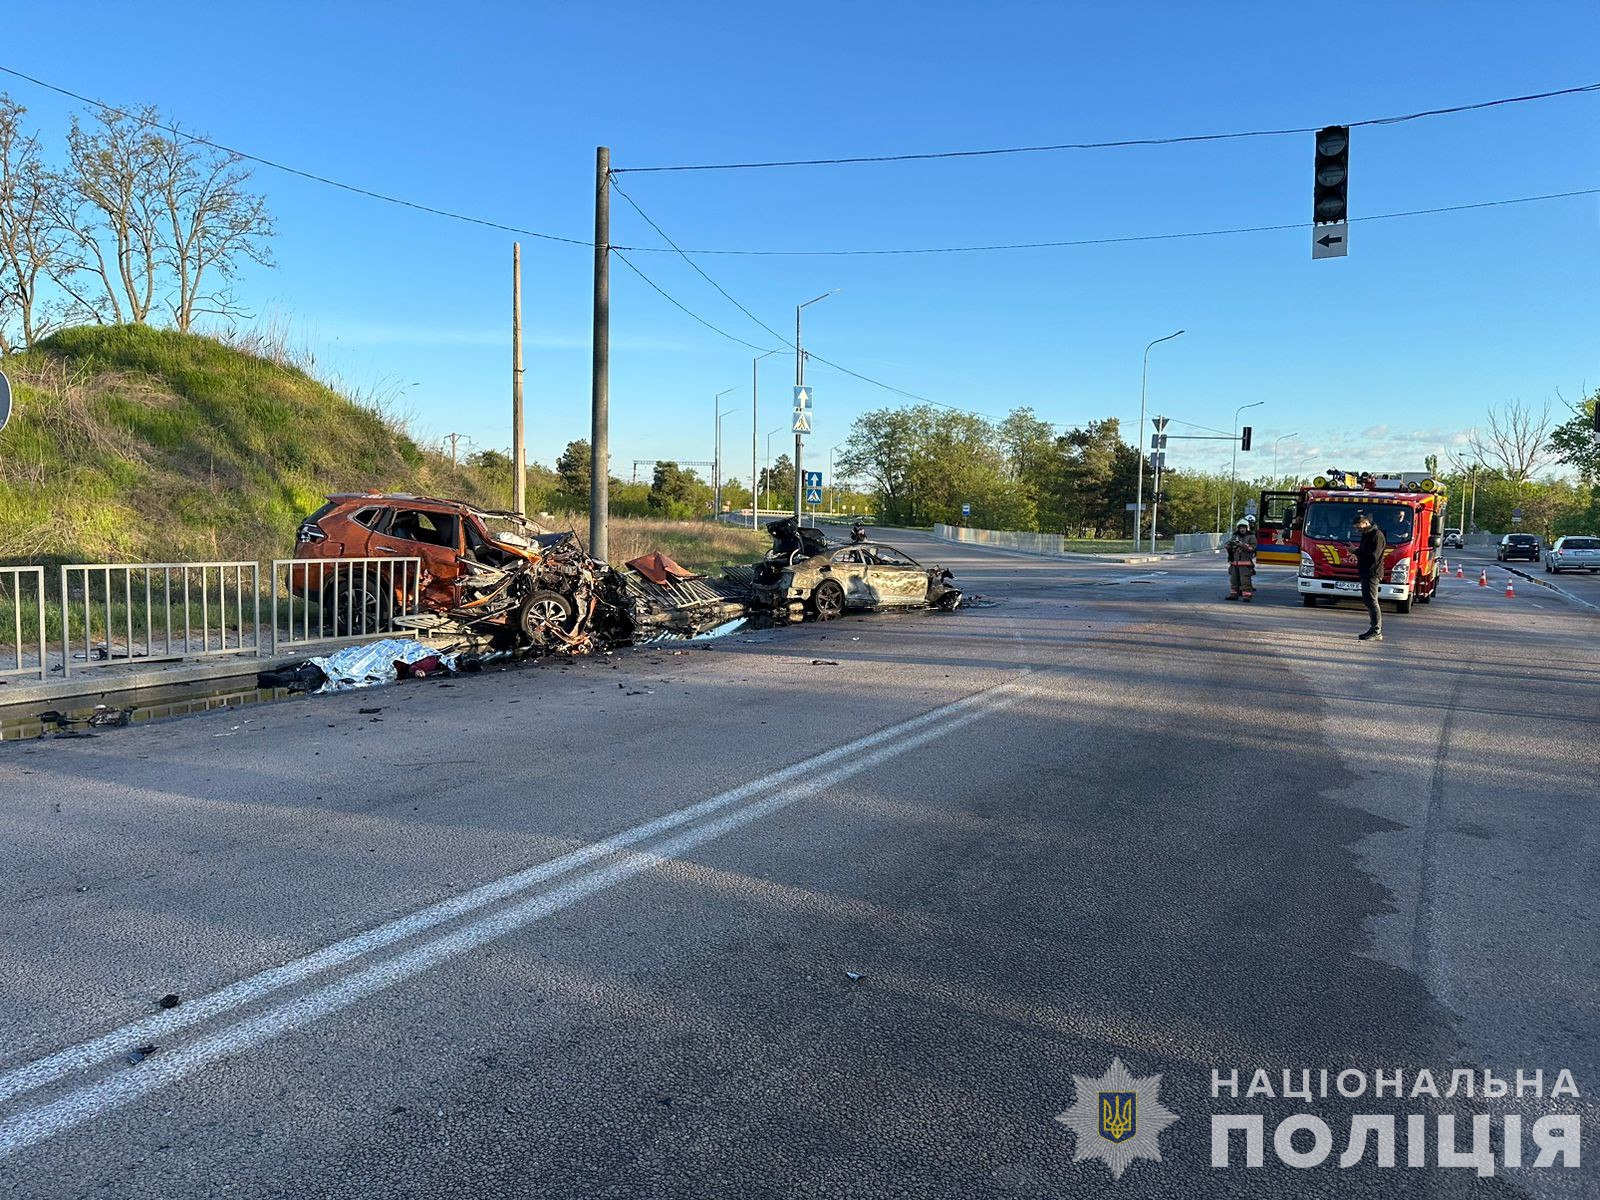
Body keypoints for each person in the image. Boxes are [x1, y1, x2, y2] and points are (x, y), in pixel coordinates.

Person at [1354, 510, 1387, 641]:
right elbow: (1365, 551)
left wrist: (1356, 552)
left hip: (1373, 572)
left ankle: (1376, 630)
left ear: (1366, 522)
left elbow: (1373, 556)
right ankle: (1373, 628)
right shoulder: (1367, 534)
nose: (1357, 529)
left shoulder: (1377, 536)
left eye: (1358, 526)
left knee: (1372, 601)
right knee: (1368, 600)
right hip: (1366, 572)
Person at [1224, 520, 1256, 601]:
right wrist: (1228, 545)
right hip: (1235, 563)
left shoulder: (1251, 536)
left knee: (1245, 580)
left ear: (1247, 528)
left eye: (1243, 528)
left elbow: (1253, 548)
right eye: (1240, 528)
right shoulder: (1235, 536)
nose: (1242, 529)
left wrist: (1243, 545)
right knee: (1233, 580)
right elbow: (1229, 543)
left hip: (1245, 563)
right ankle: (1233, 595)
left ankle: (1247, 596)